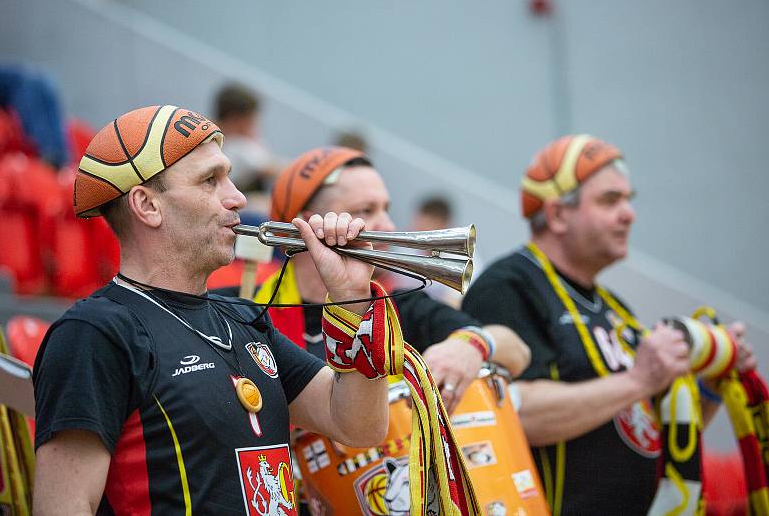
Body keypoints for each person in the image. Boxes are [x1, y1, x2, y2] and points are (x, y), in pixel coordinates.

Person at [32, 106, 400, 515]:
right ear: (147, 206)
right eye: (211, 180)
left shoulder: (243, 319)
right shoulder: (95, 332)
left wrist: (352, 299)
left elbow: (360, 426)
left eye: (230, 176)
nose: (237, 197)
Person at [463, 134, 758, 516]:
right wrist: (639, 380)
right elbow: (515, 412)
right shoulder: (508, 285)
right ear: (557, 215)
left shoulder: (616, 308)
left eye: (628, 199)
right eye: (610, 200)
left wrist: (712, 386)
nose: (629, 213)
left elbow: (650, 431)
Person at [243, 146, 531, 412]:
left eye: (386, 209)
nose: (389, 226)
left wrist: (471, 346)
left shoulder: (400, 306)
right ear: (308, 226)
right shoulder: (248, 312)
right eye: (366, 211)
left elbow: (517, 350)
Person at [213, 82, 280, 193]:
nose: (255, 124)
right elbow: (274, 169)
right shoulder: (237, 146)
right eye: (251, 119)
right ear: (235, 120)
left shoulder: (206, 133)